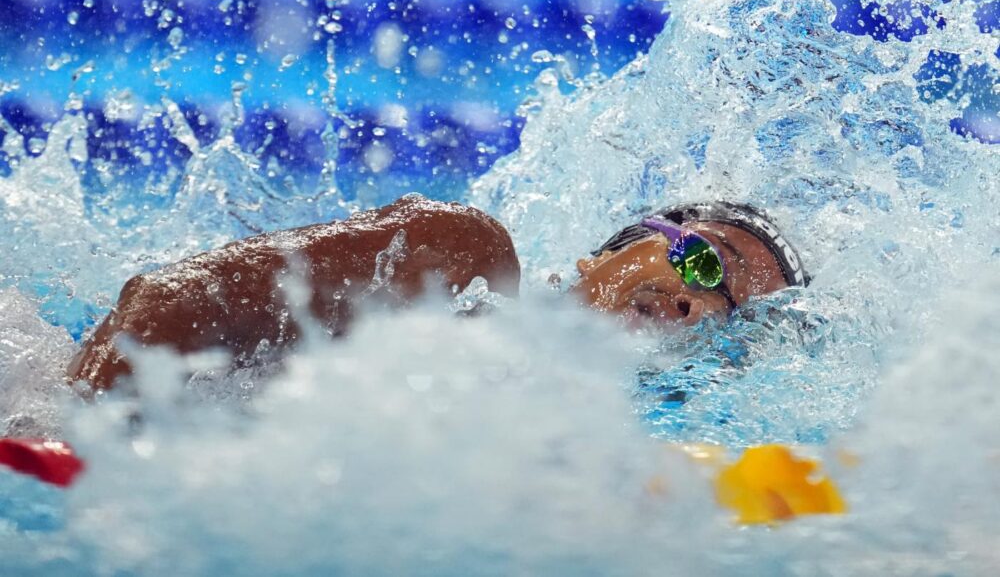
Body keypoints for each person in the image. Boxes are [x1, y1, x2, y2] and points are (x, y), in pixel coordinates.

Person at [66, 195, 809, 392]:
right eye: (703, 264)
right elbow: (163, 304)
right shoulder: (460, 257)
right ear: (608, 253)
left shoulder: (583, 431)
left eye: (729, 314)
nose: (694, 304)